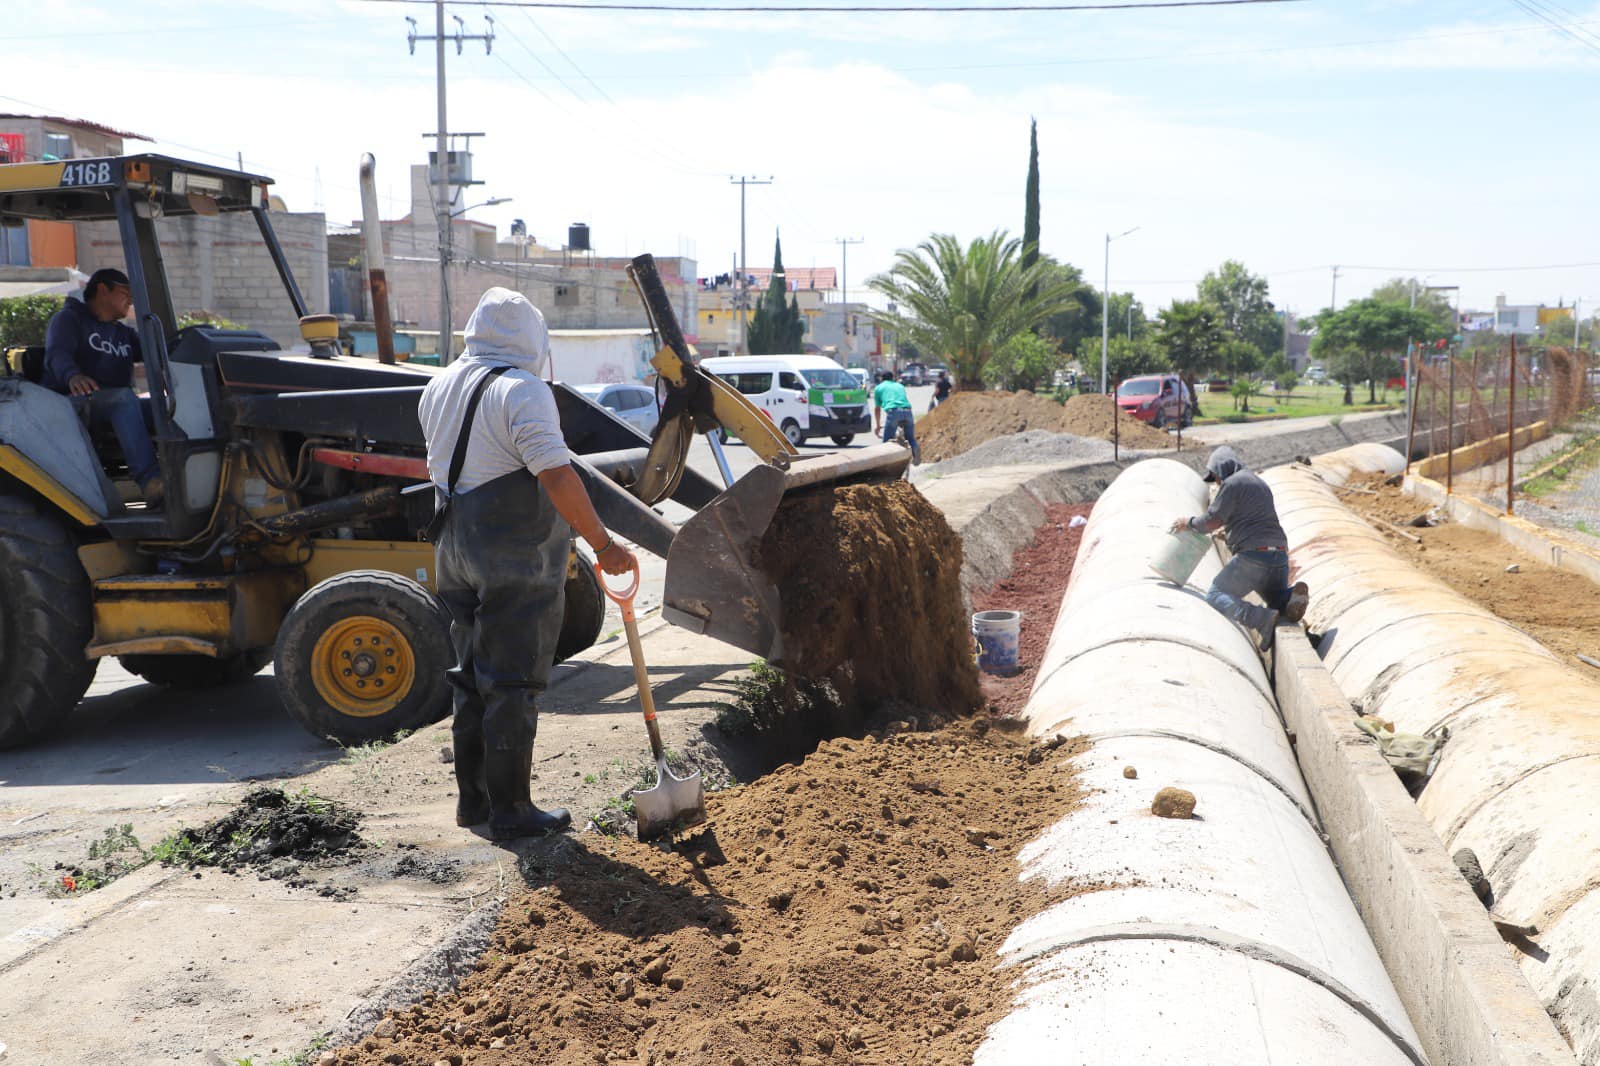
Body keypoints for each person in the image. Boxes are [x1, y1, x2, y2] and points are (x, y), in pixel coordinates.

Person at [419, 287, 637, 840]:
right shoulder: (523, 390)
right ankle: (512, 811)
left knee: (469, 677)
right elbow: (558, 475)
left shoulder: (438, 385)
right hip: (511, 553)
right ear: (533, 339)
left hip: (453, 546)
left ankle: (475, 803)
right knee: (512, 681)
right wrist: (603, 544)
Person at [1170, 446, 1309, 653]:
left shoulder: (1232, 483)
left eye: (1216, 477)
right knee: (1276, 599)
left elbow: (1210, 521)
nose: (1217, 482)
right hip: (1278, 554)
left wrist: (1188, 522)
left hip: (1254, 557)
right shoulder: (1258, 483)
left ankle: (1261, 619)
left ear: (1222, 468)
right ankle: (1290, 598)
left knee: (1216, 594)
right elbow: (1254, 520)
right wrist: (1229, 535)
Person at [42, 268, 162, 503]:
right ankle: (150, 480)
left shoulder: (123, 333)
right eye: (125, 292)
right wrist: (72, 375)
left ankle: (180, 476)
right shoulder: (68, 320)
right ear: (102, 290)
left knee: (163, 407)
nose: (131, 300)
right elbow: (57, 354)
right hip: (69, 404)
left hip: (112, 403)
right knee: (124, 399)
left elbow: (154, 353)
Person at [872, 370, 920, 464]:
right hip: (907, 411)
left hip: (894, 412)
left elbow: (877, 409)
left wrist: (878, 426)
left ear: (881, 379)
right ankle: (915, 450)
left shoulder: (878, 388)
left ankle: (886, 464)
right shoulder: (900, 386)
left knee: (887, 442)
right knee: (910, 438)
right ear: (893, 378)